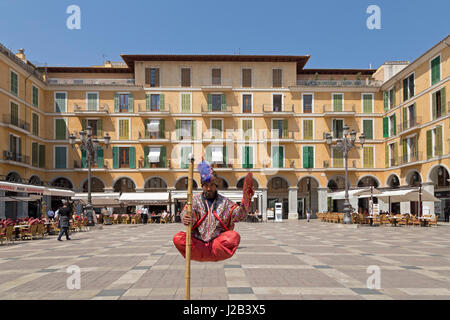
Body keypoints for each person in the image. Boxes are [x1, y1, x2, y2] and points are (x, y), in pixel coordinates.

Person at [173, 161, 254, 262]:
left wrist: (246, 200)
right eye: (205, 185)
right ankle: (199, 254)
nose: (208, 188)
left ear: (216, 185)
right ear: (202, 186)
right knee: (178, 238)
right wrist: (185, 217)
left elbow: (239, 215)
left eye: (211, 185)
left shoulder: (225, 202)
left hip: (217, 245)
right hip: (198, 245)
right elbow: (186, 213)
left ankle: (212, 254)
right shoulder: (194, 201)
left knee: (234, 237)